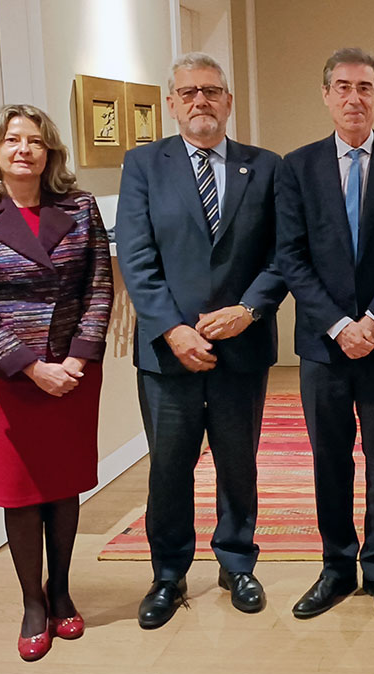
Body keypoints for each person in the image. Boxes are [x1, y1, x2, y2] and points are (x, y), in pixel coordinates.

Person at [116, 52, 287, 629]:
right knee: (170, 465)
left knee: (238, 462)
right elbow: (137, 257)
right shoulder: (143, 164)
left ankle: (237, 562)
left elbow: (282, 254)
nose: (200, 102)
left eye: (211, 92)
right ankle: (168, 574)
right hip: (168, 353)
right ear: (171, 102)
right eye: (188, 93)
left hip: (241, 346)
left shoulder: (265, 166)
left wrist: (249, 309)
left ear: (228, 101)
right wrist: (172, 328)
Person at [0, 104, 112, 661]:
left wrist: (78, 361)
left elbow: (99, 289)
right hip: (6, 376)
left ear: (50, 152)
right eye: (13, 140)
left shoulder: (81, 207)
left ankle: (62, 592)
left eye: (35, 141)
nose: (24, 150)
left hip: (71, 375)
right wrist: (31, 365)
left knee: (64, 488)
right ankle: (32, 602)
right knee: (20, 494)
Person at [276, 47, 374, 621]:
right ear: (326, 95)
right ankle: (336, 566)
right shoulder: (297, 166)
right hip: (323, 345)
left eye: (365, 87)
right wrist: (340, 324)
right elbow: (291, 256)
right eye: (342, 87)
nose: (353, 98)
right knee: (329, 459)